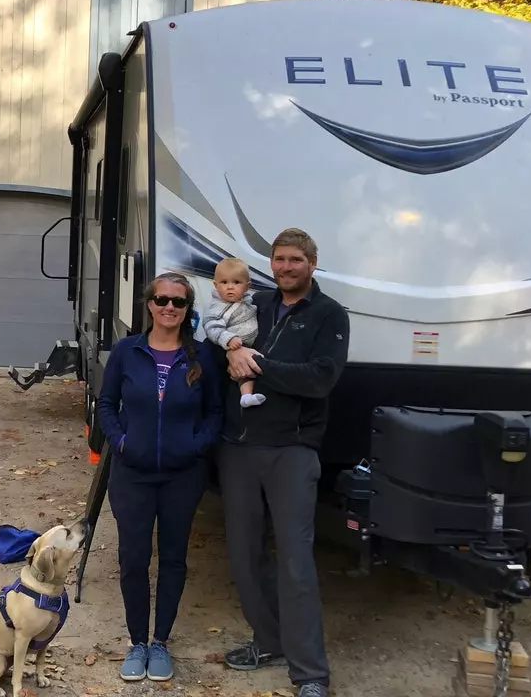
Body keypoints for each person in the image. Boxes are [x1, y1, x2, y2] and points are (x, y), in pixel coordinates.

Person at [215, 228, 350, 697]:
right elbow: (224, 340)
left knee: (296, 562)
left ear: (312, 263)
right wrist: (232, 352)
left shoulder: (330, 314)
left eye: (295, 259)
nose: (286, 267)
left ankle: (310, 673)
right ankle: (268, 640)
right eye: (278, 259)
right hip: (240, 447)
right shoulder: (260, 304)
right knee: (245, 554)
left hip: (292, 450)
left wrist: (258, 366)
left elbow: (321, 379)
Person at [95, 271, 224, 683]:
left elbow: (216, 413)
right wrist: (121, 443)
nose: (170, 307)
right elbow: (106, 404)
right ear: (149, 304)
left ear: (188, 311)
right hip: (131, 473)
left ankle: (160, 642)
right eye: (163, 299)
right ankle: (136, 640)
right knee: (133, 558)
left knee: (172, 558)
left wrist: (194, 446)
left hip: (182, 476)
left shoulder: (202, 356)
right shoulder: (126, 351)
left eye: (179, 302)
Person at [202, 257, 265, 408]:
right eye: (224, 282)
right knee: (241, 371)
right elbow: (211, 326)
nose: (230, 287)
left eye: (236, 282)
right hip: (233, 345)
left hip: (249, 346)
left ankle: (247, 396)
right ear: (216, 285)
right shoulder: (218, 306)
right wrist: (228, 339)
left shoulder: (247, 300)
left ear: (247, 286)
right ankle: (246, 396)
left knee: (249, 370)